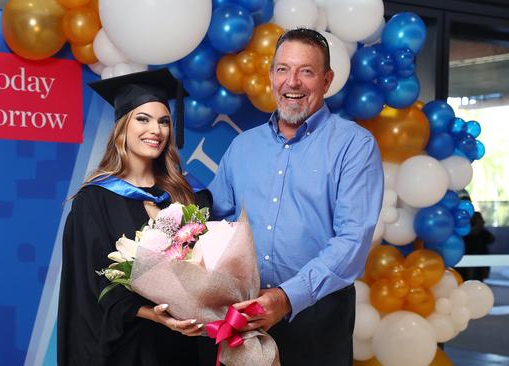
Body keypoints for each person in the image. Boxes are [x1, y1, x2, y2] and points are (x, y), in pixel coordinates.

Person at [208, 28, 384, 365]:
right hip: (245, 316)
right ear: (272, 76)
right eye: (283, 69)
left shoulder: (354, 146)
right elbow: (215, 221)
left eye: (306, 71)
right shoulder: (242, 147)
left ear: (327, 79)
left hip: (319, 317)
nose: (293, 82)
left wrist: (286, 298)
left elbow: (352, 240)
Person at [57, 69, 212, 366]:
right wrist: (152, 313)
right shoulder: (96, 200)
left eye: (163, 121)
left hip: (185, 342)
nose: (156, 130)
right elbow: (91, 286)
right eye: (143, 119)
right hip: (129, 348)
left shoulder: (189, 193)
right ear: (122, 127)